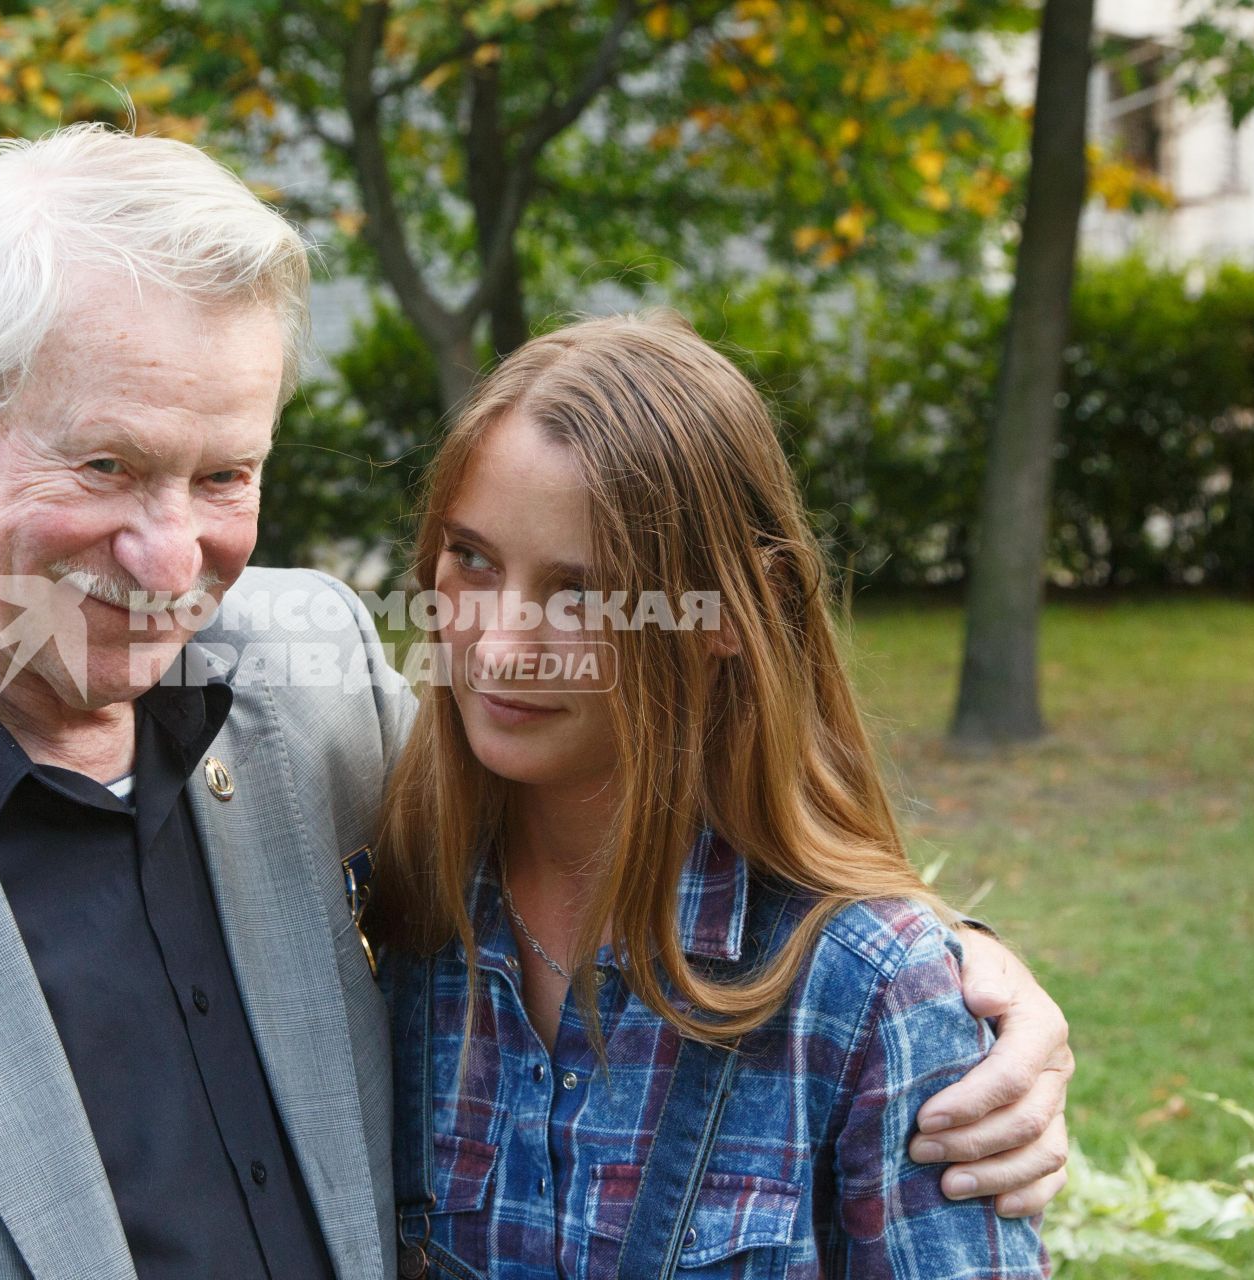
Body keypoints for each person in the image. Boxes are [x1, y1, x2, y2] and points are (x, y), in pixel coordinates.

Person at [0, 127, 1068, 1279]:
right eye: (103, 466)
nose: (172, 557)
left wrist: (956, 981)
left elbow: (649, 830)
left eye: (224, 474)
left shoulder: (307, 681)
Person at [371, 311, 1055, 1278]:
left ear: (734, 614)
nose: (499, 644)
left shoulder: (868, 993)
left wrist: (948, 974)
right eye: (472, 559)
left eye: (584, 594)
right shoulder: (390, 901)